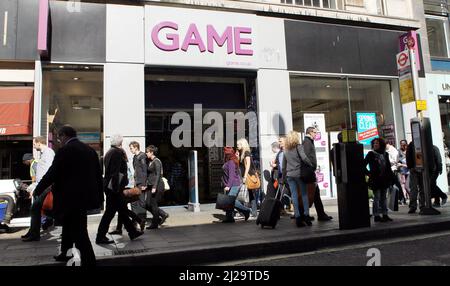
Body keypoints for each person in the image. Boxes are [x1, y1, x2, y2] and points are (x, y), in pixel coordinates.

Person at [32, 126, 102, 266]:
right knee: (69, 226)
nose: (59, 141)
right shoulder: (90, 151)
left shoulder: (65, 151)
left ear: (64, 136)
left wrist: (38, 189)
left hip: (69, 197)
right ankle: (65, 252)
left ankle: (89, 260)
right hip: (84, 197)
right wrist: (100, 197)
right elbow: (98, 176)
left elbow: (53, 172)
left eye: (59, 137)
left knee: (79, 232)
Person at [96, 134, 144, 244]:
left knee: (121, 210)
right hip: (114, 188)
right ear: (120, 143)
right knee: (109, 213)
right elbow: (115, 172)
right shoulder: (117, 153)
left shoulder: (109, 152)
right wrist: (116, 189)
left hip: (111, 187)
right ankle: (100, 236)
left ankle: (132, 232)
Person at [22, 136, 56, 241]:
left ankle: (34, 234)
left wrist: (43, 185)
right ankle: (33, 232)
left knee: (35, 208)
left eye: (34, 144)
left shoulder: (48, 153)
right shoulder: (43, 154)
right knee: (35, 209)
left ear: (38, 143)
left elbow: (50, 170)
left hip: (45, 186)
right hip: (41, 185)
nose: (33, 146)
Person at [110, 141, 148, 234]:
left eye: (131, 148)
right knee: (122, 208)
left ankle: (137, 221)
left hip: (125, 187)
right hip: (127, 186)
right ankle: (131, 225)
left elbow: (144, 171)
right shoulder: (131, 159)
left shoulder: (140, 157)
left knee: (122, 208)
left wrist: (143, 183)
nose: (130, 150)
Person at [281, 131, 312, 227]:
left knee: (294, 195)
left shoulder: (285, 150)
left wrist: (283, 177)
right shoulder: (298, 147)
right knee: (303, 194)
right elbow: (304, 158)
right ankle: (306, 215)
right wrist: (311, 164)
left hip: (290, 175)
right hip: (299, 174)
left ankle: (298, 217)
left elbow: (283, 166)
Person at [303, 127, 332, 221]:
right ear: (310, 132)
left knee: (314, 194)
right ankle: (320, 214)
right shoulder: (307, 142)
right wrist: (311, 168)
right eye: (315, 133)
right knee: (314, 194)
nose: (316, 135)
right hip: (309, 173)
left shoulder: (309, 141)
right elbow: (306, 158)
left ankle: (318, 214)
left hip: (309, 172)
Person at [364, 138, 394, 222]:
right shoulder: (371, 154)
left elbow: (388, 167)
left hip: (384, 179)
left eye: (377, 143)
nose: (375, 145)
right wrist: (369, 173)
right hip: (375, 179)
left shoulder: (385, 154)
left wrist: (391, 178)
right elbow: (363, 165)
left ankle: (385, 214)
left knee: (384, 197)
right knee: (376, 197)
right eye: (374, 143)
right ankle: (376, 215)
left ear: (381, 144)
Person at [221, 147, 251, 223]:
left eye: (225, 153)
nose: (224, 154)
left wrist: (228, 186)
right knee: (228, 201)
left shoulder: (231, 162)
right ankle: (229, 218)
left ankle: (246, 210)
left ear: (228, 154)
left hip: (234, 184)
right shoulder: (228, 161)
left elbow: (231, 176)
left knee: (230, 201)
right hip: (231, 184)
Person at [145, 145, 169, 229]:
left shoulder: (157, 161)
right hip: (150, 185)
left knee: (153, 204)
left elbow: (158, 174)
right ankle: (162, 214)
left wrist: (154, 187)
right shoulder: (150, 161)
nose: (146, 153)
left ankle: (154, 223)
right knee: (147, 204)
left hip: (157, 185)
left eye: (147, 152)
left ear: (152, 152)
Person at [237, 138, 259, 217]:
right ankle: (251, 212)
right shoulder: (241, 153)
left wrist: (245, 176)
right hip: (244, 175)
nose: (237, 146)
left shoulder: (246, 153)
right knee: (247, 193)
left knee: (248, 193)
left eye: (238, 144)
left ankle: (249, 211)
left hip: (249, 175)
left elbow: (248, 165)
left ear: (243, 145)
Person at [406, 141, 425, 214]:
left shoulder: (413, 143)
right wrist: (410, 167)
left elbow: (408, 155)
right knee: (418, 188)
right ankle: (420, 206)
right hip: (416, 169)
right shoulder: (415, 143)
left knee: (417, 188)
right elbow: (408, 155)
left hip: (418, 169)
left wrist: (410, 166)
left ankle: (415, 206)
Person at [397, 140, 410, 204]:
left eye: (404, 144)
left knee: (407, 186)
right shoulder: (399, 151)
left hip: (409, 171)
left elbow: (410, 164)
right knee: (402, 185)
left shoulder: (409, 151)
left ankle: (412, 198)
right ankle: (404, 198)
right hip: (402, 171)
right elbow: (398, 160)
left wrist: (402, 164)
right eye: (401, 144)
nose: (402, 145)